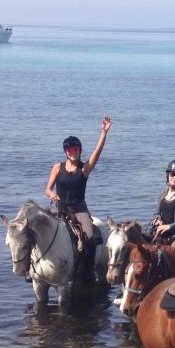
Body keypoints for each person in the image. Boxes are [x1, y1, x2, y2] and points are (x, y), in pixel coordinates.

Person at [44, 117, 112, 278]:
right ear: (65, 152)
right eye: (69, 150)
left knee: (89, 236)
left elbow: (97, 152)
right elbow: (47, 189)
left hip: (79, 209)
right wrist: (52, 194)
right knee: (39, 227)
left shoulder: (84, 169)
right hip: (60, 208)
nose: (72, 152)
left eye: (75, 149)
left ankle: (87, 268)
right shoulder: (57, 167)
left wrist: (104, 132)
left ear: (80, 150)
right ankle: (31, 268)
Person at [150, 159, 175, 244]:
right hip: (160, 232)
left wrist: (169, 226)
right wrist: (157, 220)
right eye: (172, 174)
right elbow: (156, 213)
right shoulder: (162, 194)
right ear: (168, 175)